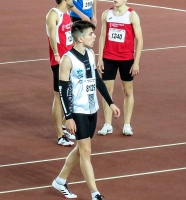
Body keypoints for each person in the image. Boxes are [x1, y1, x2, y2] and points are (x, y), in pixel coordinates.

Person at [51, 20, 120, 200]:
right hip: (78, 112)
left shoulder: (90, 54)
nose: (94, 36)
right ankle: (95, 194)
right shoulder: (68, 60)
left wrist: (110, 102)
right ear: (80, 38)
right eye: (91, 34)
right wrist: (69, 117)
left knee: (83, 148)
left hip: (92, 109)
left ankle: (60, 180)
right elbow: (63, 90)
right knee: (86, 151)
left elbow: (97, 80)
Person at [46, 0, 91, 146]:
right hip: (59, 61)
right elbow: (53, 36)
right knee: (59, 96)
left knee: (70, 94)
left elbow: (69, 36)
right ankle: (60, 135)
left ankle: (65, 126)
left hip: (70, 59)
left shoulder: (66, 12)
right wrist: (56, 53)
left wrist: (83, 16)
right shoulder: (53, 14)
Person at [97, 0, 143, 136]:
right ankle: (107, 124)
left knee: (128, 91)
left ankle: (127, 125)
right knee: (107, 91)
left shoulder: (132, 15)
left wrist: (136, 62)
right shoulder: (106, 14)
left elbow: (140, 40)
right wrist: (100, 58)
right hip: (109, 58)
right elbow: (102, 36)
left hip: (126, 59)